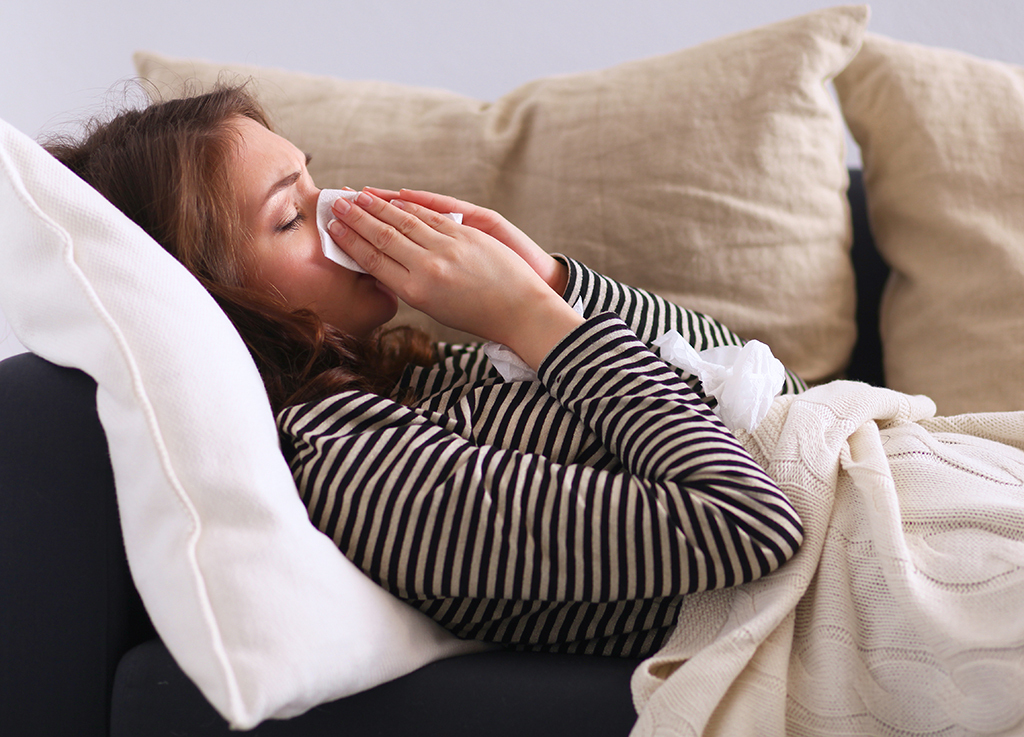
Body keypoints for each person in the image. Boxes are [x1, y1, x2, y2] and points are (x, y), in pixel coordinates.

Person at [45, 86, 805, 657]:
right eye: (292, 216)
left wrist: (550, 284)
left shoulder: (421, 375)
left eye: (318, 183)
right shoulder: (354, 468)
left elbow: (765, 391)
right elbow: (750, 522)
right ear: (210, 300)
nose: (346, 212)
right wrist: (530, 322)